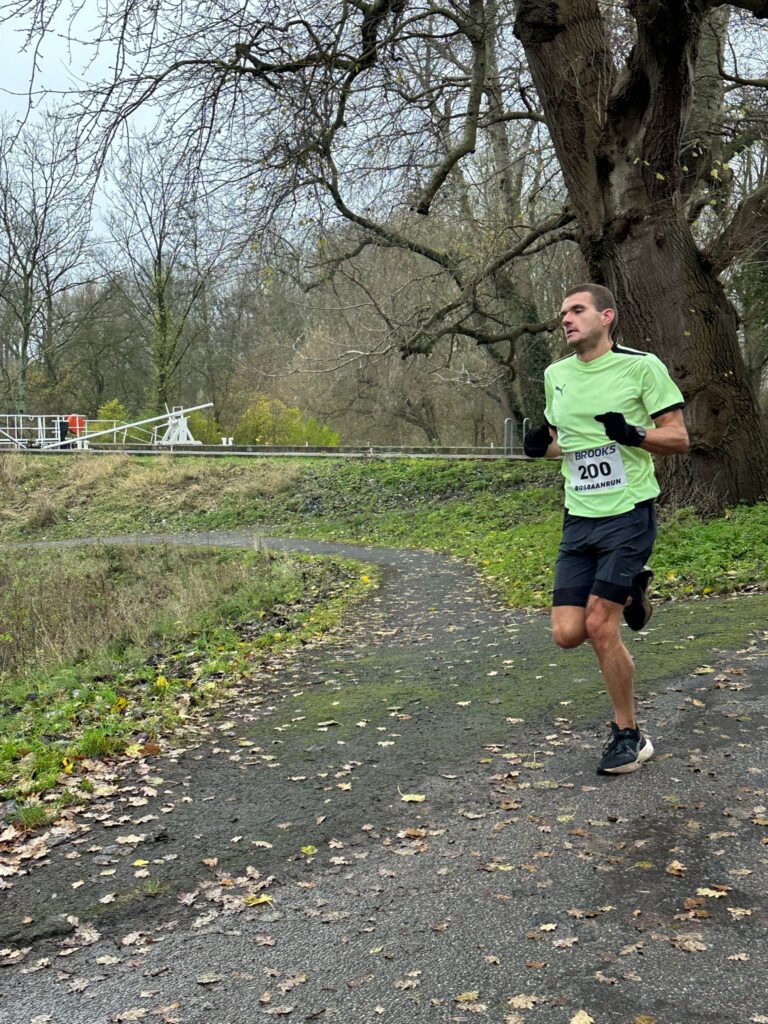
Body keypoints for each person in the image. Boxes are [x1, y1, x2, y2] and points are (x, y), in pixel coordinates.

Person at [523, 283, 689, 775]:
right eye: (563, 313)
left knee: (599, 626)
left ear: (606, 316)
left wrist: (634, 433)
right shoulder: (556, 375)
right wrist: (541, 447)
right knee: (567, 633)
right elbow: (565, 443)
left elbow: (678, 437)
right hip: (579, 517)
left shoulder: (641, 366)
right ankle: (634, 588)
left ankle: (628, 735)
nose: (566, 319)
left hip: (628, 513)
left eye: (577, 310)